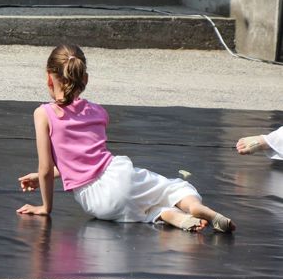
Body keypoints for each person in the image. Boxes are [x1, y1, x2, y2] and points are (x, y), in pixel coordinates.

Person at [16, 44, 235, 233]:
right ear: (85, 79)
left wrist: (45, 207)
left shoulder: (44, 114)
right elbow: (89, 160)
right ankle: (193, 206)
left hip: (96, 202)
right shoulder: (98, 112)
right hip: (119, 176)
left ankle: (171, 216)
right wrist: (44, 175)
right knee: (174, 188)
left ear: (49, 78)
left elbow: (49, 167)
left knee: (138, 209)